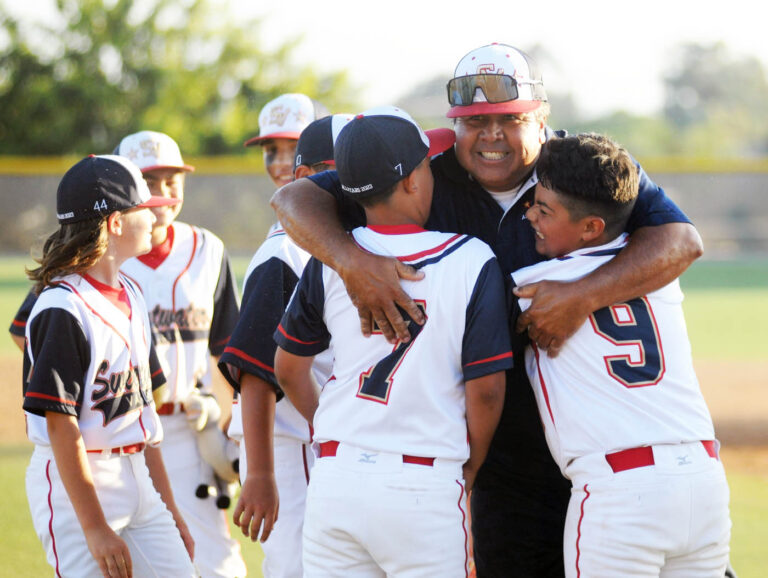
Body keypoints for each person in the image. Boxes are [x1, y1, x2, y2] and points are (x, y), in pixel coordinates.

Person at [269, 43, 704, 577]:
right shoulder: (424, 164)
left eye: (508, 119)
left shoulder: (579, 167)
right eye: (474, 122)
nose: (490, 135)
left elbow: (682, 241)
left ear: (542, 121)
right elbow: (293, 200)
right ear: (454, 126)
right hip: (495, 454)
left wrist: (584, 296)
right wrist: (352, 262)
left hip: (598, 442)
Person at [272, 106, 512, 576]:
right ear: (411, 181)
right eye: (427, 164)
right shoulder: (471, 258)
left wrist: (335, 430)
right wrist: (471, 464)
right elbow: (487, 390)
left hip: (336, 476)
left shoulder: (335, 259)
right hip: (422, 480)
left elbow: (288, 369)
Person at [512, 132, 730, 576]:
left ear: (592, 227)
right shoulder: (660, 270)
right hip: (704, 480)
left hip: (620, 493)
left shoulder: (533, 287)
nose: (529, 214)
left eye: (544, 209)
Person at [23, 154, 196, 577]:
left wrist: (169, 507)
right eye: (145, 210)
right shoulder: (63, 307)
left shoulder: (133, 293)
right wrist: (95, 527)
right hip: (79, 486)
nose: (157, 217)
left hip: (138, 476)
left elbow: (142, 417)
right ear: (115, 223)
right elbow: (61, 425)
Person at [219, 113, 351, 578]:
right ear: (304, 177)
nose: (351, 184)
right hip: (288, 440)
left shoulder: (342, 241)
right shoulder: (285, 251)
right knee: (298, 564)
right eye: (339, 171)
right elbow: (256, 372)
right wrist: (260, 474)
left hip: (319, 435)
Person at [113, 130, 245, 578]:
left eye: (172, 179)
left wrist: (221, 415)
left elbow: (229, 349)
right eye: (149, 180)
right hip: (122, 432)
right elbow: (30, 333)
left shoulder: (207, 249)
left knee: (215, 562)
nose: (163, 192)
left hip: (188, 427)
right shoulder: (102, 251)